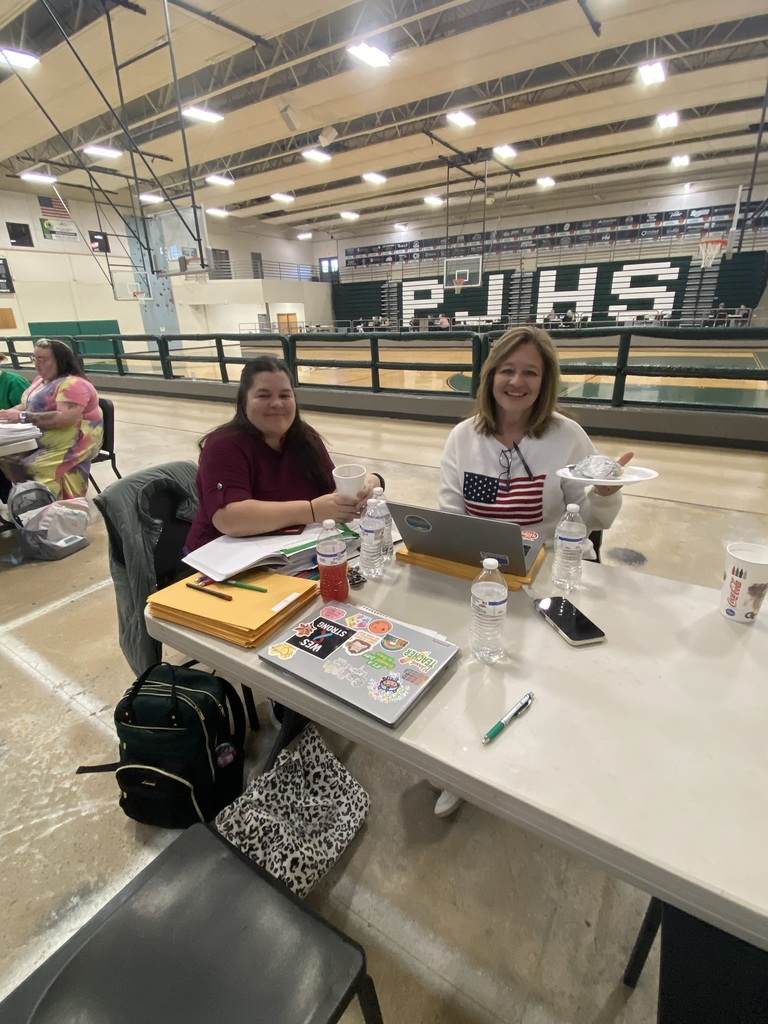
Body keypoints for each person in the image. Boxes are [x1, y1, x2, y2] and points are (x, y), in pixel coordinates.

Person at [433, 325, 632, 818]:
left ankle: (537, 765)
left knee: (545, 673)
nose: (517, 381)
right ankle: (459, 759)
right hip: (480, 576)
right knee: (465, 661)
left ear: (545, 382)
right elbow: (450, 514)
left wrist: (605, 498)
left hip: (544, 576)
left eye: (530, 372)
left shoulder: (567, 438)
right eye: (507, 370)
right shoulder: (463, 438)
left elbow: (583, 522)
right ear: (490, 376)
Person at [186, 354, 384, 552]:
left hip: (290, 555)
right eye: (263, 395)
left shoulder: (304, 438)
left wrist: (370, 483)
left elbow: (332, 494)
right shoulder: (224, 445)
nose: (277, 404)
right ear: (243, 401)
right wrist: (312, 510)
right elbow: (229, 518)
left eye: (284, 395)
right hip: (219, 563)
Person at [0, 338, 103, 499]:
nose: (36, 363)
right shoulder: (40, 381)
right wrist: (7, 414)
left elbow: (65, 419)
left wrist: (22, 417)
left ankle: (51, 506)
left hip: (73, 441)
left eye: (42, 359)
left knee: (33, 466)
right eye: (34, 358)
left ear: (60, 361)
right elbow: (26, 404)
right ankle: (25, 503)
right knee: (7, 458)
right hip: (44, 437)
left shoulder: (74, 384)